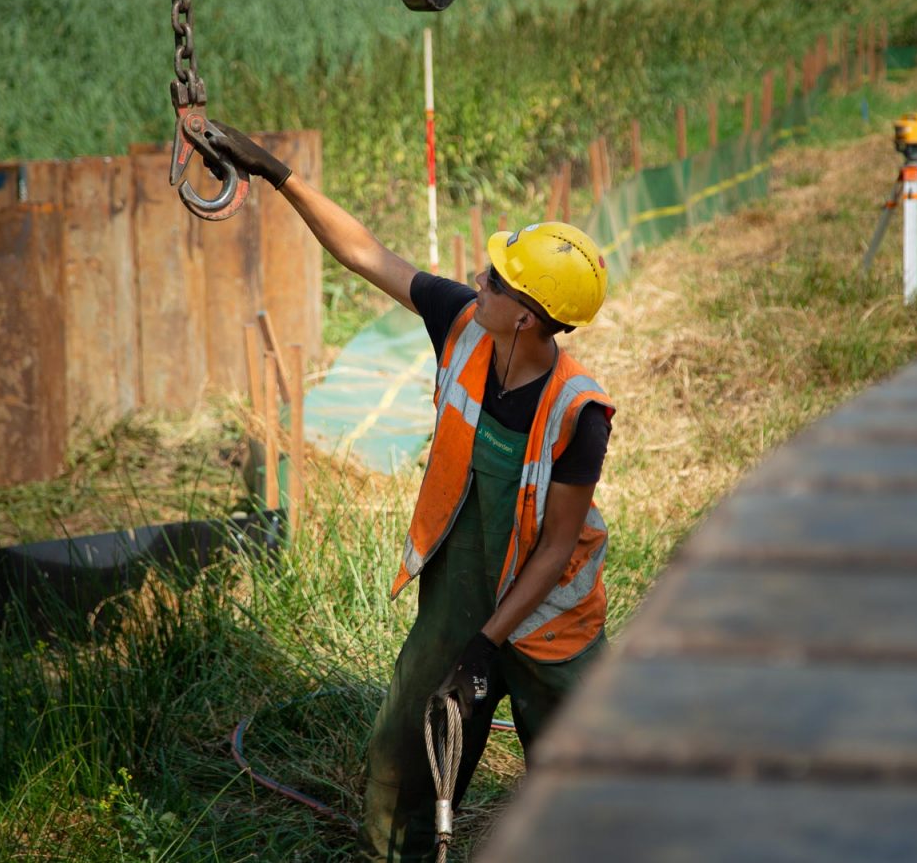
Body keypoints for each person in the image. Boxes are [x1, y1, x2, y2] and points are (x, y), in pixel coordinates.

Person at [209, 126, 614, 862]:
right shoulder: (462, 324)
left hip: (551, 619)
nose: (477, 279)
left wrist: (489, 647)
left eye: (495, 279)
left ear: (526, 315)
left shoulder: (578, 412)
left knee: (579, 779)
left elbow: (558, 545)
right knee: (408, 743)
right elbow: (365, 253)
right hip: (460, 587)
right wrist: (279, 176)